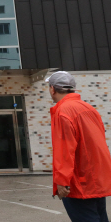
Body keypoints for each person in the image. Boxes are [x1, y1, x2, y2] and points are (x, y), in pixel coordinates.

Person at [47, 71, 111, 222]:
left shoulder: (63, 111)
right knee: (100, 216)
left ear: (52, 89)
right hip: (97, 177)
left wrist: (62, 181)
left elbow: (65, 149)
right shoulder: (89, 108)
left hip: (79, 181)